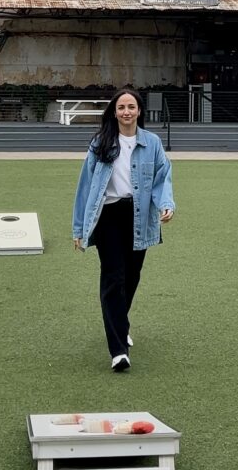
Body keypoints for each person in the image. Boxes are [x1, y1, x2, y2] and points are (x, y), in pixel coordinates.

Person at [72, 87, 175, 372]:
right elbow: (85, 186)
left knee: (131, 277)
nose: (126, 112)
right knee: (113, 278)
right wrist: (79, 228)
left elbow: (162, 177)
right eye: (121, 108)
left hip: (139, 215)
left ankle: (120, 322)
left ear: (139, 111)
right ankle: (118, 351)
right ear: (114, 112)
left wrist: (166, 204)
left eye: (131, 107)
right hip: (108, 216)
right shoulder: (100, 142)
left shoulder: (152, 143)